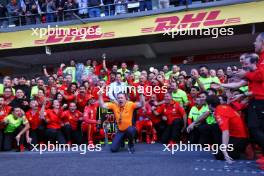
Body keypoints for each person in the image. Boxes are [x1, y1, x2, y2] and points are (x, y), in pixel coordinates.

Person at [206, 95, 248, 164]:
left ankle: (238, 152)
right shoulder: (223, 107)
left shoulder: (219, 111)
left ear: (209, 105)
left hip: (239, 138)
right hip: (237, 135)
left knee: (219, 155)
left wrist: (224, 151)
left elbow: (225, 132)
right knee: (213, 127)